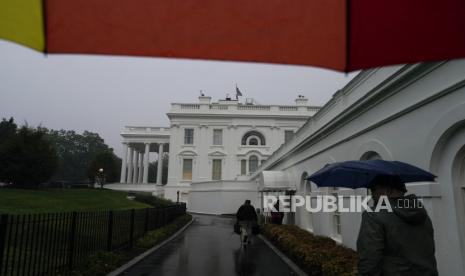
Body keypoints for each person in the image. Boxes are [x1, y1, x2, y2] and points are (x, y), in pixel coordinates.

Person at [357, 176, 438, 276]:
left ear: (387, 190)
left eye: (373, 190)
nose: (372, 195)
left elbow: (369, 261)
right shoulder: (421, 213)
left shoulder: (373, 215)